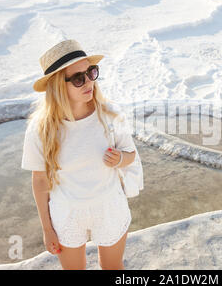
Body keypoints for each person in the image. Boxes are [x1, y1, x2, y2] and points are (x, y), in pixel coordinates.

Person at [21, 39, 137, 270]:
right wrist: (47, 229)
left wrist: (120, 160)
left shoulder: (110, 115)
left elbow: (131, 154)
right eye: (78, 78)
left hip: (109, 205)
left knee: (113, 267)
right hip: (67, 213)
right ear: (57, 86)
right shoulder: (41, 128)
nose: (89, 82)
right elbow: (40, 180)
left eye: (91, 72)